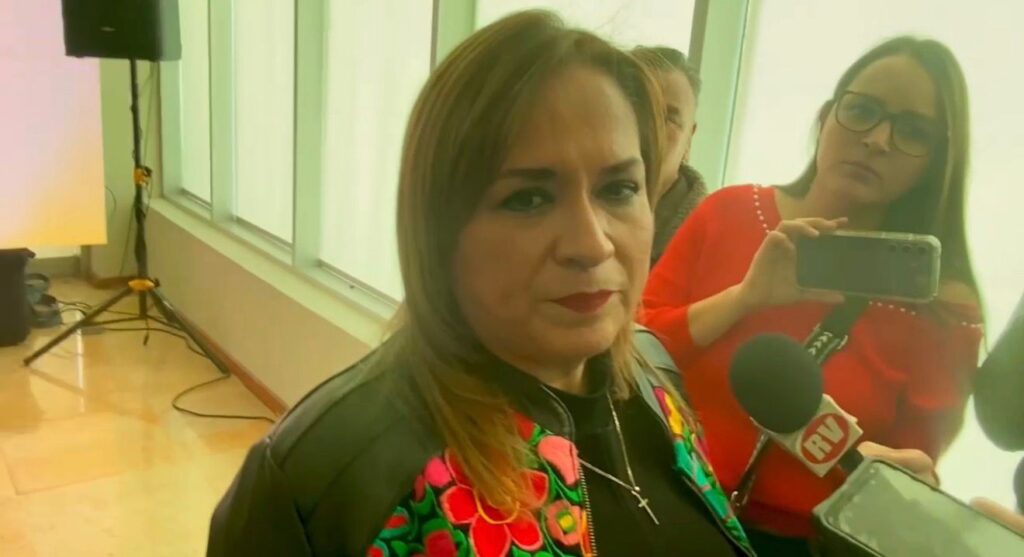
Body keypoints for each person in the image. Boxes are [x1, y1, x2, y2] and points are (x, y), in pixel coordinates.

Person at [207, 11, 756, 557]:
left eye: (619, 189)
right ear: (438, 229)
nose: (591, 244)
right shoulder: (329, 478)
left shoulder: (655, 376)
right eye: (528, 198)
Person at [641, 36, 983, 556]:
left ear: (937, 161)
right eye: (862, 111)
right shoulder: (728, 213)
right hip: (666, 510)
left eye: (912, 131)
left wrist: (911, 486)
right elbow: (630, 352)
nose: (878, 140)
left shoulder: (943, 309)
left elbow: (908, 474)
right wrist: (744, 298)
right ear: (826, 117)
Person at [631, 46, 708, 266]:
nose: (651, 129)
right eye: (638, 110)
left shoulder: (715, 241)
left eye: (668, 118)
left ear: (688, 140)